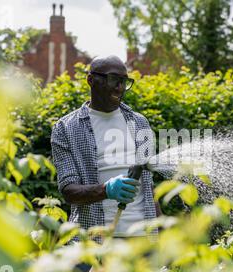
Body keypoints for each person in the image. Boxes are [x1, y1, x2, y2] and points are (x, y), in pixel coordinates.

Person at [51, 55, 161, 241]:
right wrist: (106, 190)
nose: (119, 87)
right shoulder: (66, 128)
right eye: (113, 79)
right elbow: (69, 191)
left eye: (124, 81)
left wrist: (164, 233)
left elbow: (148, 186)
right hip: (94, 241)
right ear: (91, 80)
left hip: (143, 240)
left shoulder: (140, 123)